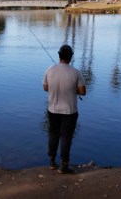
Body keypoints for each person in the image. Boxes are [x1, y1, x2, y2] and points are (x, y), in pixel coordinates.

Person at [42, 44, 86, 174]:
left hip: (52, 110)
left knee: (53, 134)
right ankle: (64, 165)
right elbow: (83, 92)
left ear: (59, 55)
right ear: (71, 57)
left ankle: (51, 162)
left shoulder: (49, 70)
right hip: (70, 111)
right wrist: (74, 89)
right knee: (66, 137)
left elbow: (45, 88)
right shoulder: (76, 72)